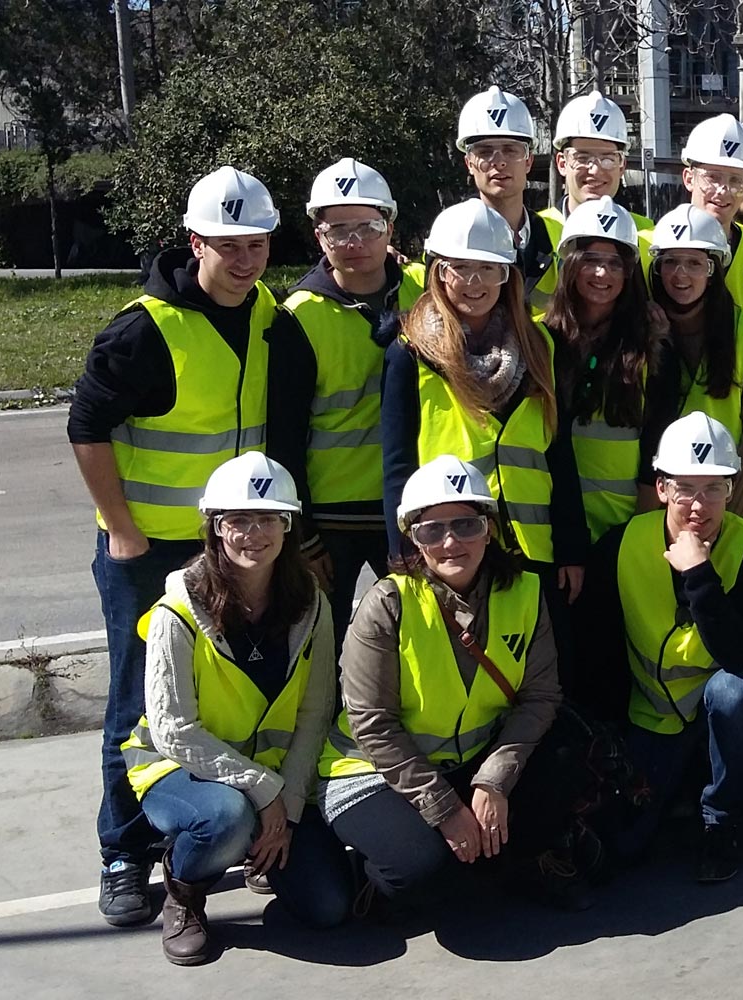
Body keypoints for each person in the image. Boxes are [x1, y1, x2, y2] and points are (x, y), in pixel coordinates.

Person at [69, 166, 286, 927]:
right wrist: (122, 529)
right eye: (228, 244)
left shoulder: (267, 314)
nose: (245, 258)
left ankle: (230, 830)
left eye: (256, 243)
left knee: (228, 697)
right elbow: (86, 428)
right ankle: (123, 854)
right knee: (136, 706)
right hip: (149, 552)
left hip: (230, 548)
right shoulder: (142, 328)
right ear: (195, 242)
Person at [318, 457, 588, 909]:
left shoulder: (524, 590)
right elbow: (373, 725)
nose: (450, 542)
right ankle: (365, 868)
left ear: (489, 529)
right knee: (420, 873)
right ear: (412, 538)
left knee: (564, 748)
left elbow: (540, 696)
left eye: (466, 525)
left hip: (470, 760)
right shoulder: (386, 604)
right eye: (431, 530)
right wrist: (445, 810)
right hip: (373, 771)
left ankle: (519, 856)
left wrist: (493, 782)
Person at [120, 454, 352, 963]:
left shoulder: (310, 601)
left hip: (270, 780)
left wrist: (286, 807)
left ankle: (260, 848)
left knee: (329, 907)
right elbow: (174, 730)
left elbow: (315, 713)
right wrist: (264, 792)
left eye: (269, 518)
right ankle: (185, 891)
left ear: (288, 527)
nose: (254, 533)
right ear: (214, 528)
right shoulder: (178, 609)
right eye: (237, 520)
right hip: (180, 769)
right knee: (226, 819)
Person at [380, 200, 586, 628]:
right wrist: (404, 552)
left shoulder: (540, 345)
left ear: (507, 274)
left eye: (489, 268)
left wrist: (570, 547)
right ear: (439, 272)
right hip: (453, 546)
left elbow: (559, 455)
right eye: (460, 268)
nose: (474, 282)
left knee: (540, 674)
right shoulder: (410, 352)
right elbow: (397, 465)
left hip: (535, 547)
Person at [595, 414, 743, 882]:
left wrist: (699, 573)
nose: (699, 505)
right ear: (661, 489)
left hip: (724, 707)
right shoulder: (622, 543)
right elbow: (598, 645)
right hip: (652, 717)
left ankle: (722, 819)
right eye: (686, 489)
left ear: (731, 491)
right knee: (625, 845)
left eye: (714, 488)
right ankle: (681, 787)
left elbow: (736, 652)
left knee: (733, 689)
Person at [272, 158, 424, 642]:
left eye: (368, 227)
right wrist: (303, 534)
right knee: (319, 643)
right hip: (330, 522)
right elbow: (284, 435)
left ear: (390, 228)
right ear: (318, 236)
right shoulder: (297, 317)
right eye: (338, 230)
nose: (354, 242)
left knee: (415, 637)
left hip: (407, 507)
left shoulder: (426, 292)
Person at [648, 204, 743, 538]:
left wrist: (721, 524)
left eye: (695, 263)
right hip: (666, 516)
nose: (681, 275)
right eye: (670, 261)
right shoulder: (643, 329)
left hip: (736, 518)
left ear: (714, 270)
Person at [544, 196, 670, 545]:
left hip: (623, 526)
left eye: (616, 264)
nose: (603, 273)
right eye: (592, 260)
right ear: (569, 263)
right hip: (556, 523)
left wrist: (642, 530)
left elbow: (655, 443)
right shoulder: (542, 341)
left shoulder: (651, 346)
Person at [534, 90, 657, 300]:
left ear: (622, 165)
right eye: (582, 157)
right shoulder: (538, 232)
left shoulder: (649, 235)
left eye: (607, 158)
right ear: (562, 163)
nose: (595, 170)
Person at [681, 114, 743, 342]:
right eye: (712, 177)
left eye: (735, 180)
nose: (723, 191)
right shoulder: (649, 245)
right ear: (688, 178)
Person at [455, 86, 550, 300]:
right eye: (485, 152)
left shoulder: (555, 237)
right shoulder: (452, 237)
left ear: (529, 161)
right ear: (469, 163)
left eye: (510, 149)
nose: (499, 161)